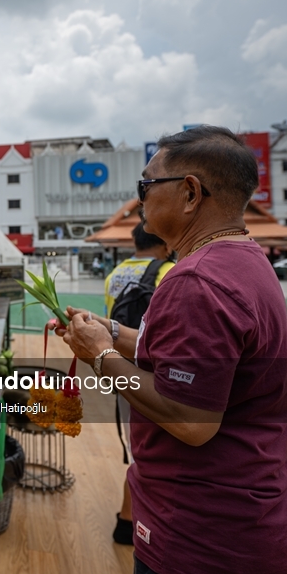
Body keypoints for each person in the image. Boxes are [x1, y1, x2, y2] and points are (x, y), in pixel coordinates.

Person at [57, 126, 287, 574]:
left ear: (190, 192)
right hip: (248, 537)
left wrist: (102, 357)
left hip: (205, 555)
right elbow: (179, 356)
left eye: (147, 187)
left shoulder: (196, 280)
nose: (141, 200)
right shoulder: (242, 260)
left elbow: (192, 420)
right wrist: (109, 331)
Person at [102, 221, 174, 545]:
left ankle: (128, 518)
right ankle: (131, 519)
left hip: (119, 366)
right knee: (156, 448)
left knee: (136, 442)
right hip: (156, 372)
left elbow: (112, 323)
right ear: (166, 243)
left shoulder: (114, 275)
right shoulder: (169, 272)